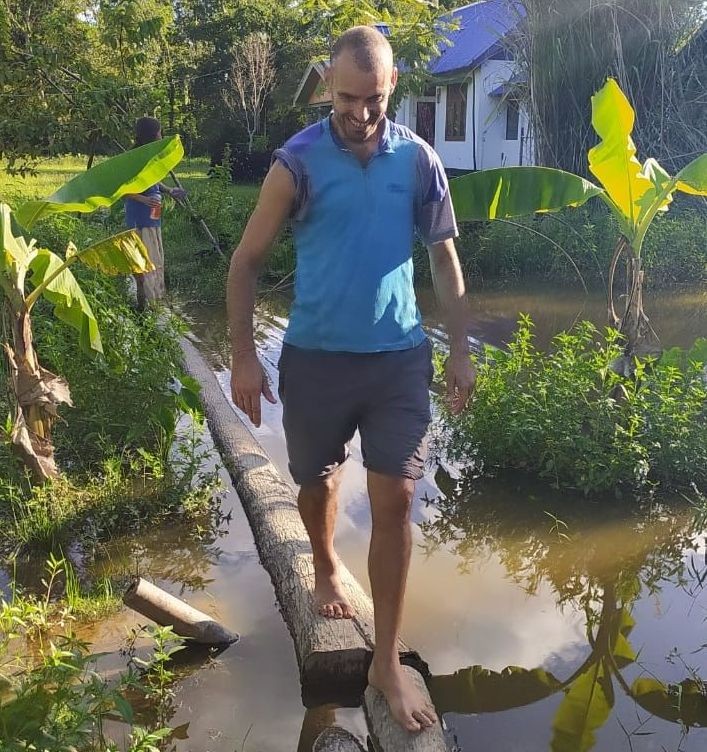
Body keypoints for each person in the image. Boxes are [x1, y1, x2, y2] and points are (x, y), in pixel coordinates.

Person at [227, 26, 476, 733]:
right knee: (316, 480)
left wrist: (459, 349)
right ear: (325, 87)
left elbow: (444, 259)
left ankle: (386, 660)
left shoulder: (419, 161)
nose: (360, 114)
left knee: (395, 496)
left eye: (372, 99)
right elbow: (244, 262)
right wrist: (243, 355)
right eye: (345, 99)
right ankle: (325, 563)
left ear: (391, 86)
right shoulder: (296, 162)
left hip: (398, 358)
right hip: (315, 357)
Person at [124, 116, 186, 310]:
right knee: (145, 262)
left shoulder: (151, 156)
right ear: (151, 134)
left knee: (155, 259)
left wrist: (169, 191)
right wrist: (143, 199)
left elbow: (151, 182)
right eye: (159, 132)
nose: (161, 135)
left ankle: (150, 304)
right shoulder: (134, 158)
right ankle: (143, 304)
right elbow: (124, 188)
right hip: (140, 216)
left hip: (153, 216)